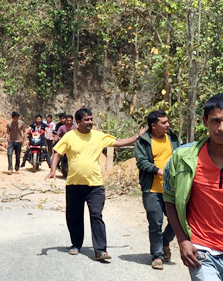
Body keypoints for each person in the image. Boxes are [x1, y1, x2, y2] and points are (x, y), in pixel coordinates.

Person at [45, 107, 145, 260]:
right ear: (78, 122)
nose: (90, 122)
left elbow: (117, 143)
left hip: (95, 185)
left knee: (96, 215)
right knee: (74, 216)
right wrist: (52, 171)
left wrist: (136, 137)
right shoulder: (70, 136)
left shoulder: (98, 136)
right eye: (87, 120)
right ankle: (76, 244)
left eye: (91, 119)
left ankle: (100, 250)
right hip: (74, 184)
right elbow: (57, 153)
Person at [164, 94, 223, 280]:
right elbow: (170, 199)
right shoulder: (183, 157)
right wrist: (182, 240)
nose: (221, 128)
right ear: (205, 121)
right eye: (216, 120)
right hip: (203, 251)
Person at [134, 110, 180, 270]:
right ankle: (157, 256)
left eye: (167, 121)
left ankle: (165, 240)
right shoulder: (143, 141)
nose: (168, 125)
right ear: (154, 126)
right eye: (164, 123)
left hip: (172, 189)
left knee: (180, 219)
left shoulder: (173, 138)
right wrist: (159, 170)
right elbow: (141, 162)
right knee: (155, 223)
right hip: (152, 189)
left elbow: (180, 156)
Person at [55, 114, 77, 178]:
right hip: (63, 144)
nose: (69, 122)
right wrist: (58, 138)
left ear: (72, 121)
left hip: (72, 144)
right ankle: (56, 164)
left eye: (70, 120)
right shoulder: (61, 127)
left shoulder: (74, 127)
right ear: (66, 120)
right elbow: (58, 134)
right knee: (57, 152)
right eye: (68, 120)